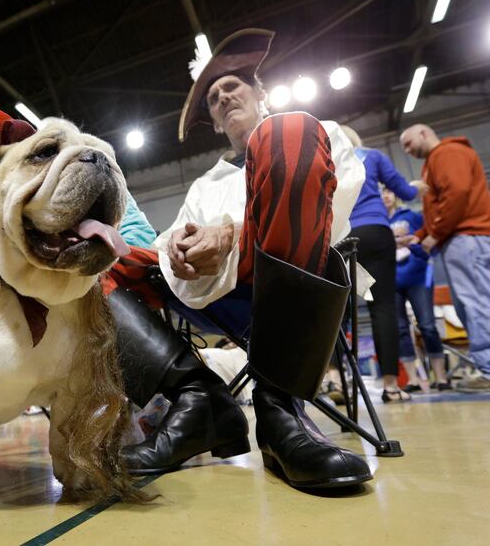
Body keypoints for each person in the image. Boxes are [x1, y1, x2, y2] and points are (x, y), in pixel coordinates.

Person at [112, 28, 371, 489]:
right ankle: (198, 400)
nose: (224, 97)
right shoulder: (203, 186)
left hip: (295, 291)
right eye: (213, 98)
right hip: (216, 304)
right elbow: (175, 236)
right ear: (212, 121)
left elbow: (325, 220)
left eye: (233, 87)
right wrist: (179, 248)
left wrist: (231, 235)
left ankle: (278, 410)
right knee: (96, 259)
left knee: (287, 135)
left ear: (260, 93)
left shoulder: (319, 133)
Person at [399, 125, 490, 392]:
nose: (407, 150)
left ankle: (487, 370)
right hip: (464, 238)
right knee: (473, 302)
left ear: (425, 133)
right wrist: (419, 235)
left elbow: (456, 195)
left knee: (474, 303)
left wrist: (434, 235)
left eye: (408, 142)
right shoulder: (436, 161)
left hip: (465, 237)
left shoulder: (446, 153)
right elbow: (442, 205)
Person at [340, 126, 427, 402]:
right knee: (383, 308)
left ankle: (334, 379)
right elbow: (404, 191)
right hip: (376, 232)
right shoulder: (373, 156)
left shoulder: (327, 164)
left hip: (342, 237)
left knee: (336, 312)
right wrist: (416, 188)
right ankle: (391, 385)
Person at [383, 187, 449, 392]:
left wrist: (413, 247)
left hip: (417, 278)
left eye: (388, 192)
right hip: (391, 280)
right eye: (380, 193)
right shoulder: (377, 222)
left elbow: (430, 242)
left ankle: (440, 376)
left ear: (395, 194)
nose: (385, 196)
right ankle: (413, 379)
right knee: (401, 330)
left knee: (428, 325)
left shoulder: (411, 215)